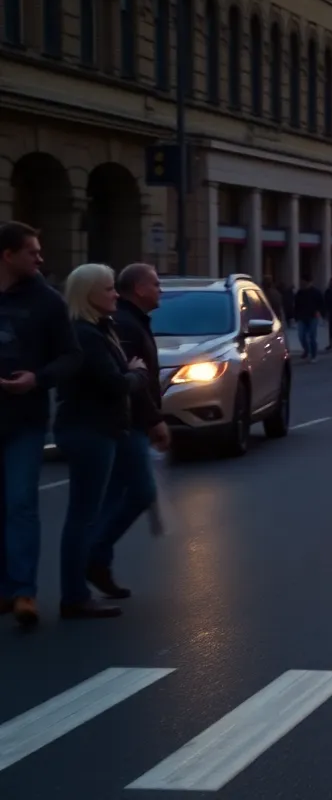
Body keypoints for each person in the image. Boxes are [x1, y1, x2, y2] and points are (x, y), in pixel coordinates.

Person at [54, 264, 148, 620]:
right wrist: (136, 374)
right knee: (82, 516)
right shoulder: (86, 335)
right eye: (109, 289)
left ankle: (80, 588)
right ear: (90, 294)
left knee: (87, 512)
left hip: (97, 428)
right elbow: (113, 384)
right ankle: (75, 596)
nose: (115, 294)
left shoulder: (98, 328)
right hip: (90, 430)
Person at [0, 222, 81, 627]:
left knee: (21, 504)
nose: (40, 259)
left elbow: (70, 356)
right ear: (7, 255)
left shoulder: (47, 301)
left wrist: (37, 379)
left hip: (24, 420)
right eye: (32, 252)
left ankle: (23, 591)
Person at [87, 263, 168, 600]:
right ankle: (92, 554)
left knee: (115, 494)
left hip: (128, 421)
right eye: (156, 283)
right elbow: (134, 380)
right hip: (127, 423)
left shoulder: (133, 320)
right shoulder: (125, 323)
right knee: (141, 492)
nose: (160, 288)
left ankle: (97, 561)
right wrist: (154, 421)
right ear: (139, 289)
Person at [294, 275, 324, 362]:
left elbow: (321, 304)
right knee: (301, 336)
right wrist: (295, 316)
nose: (302, 284)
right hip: (302, 317)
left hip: (312, 317)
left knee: (312, 336)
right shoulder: (300, 292)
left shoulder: (316, 292)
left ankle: (314, 354)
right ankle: (306, 350)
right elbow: (296, 305)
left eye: (304, 282)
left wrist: (319, 312)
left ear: (309, 282)